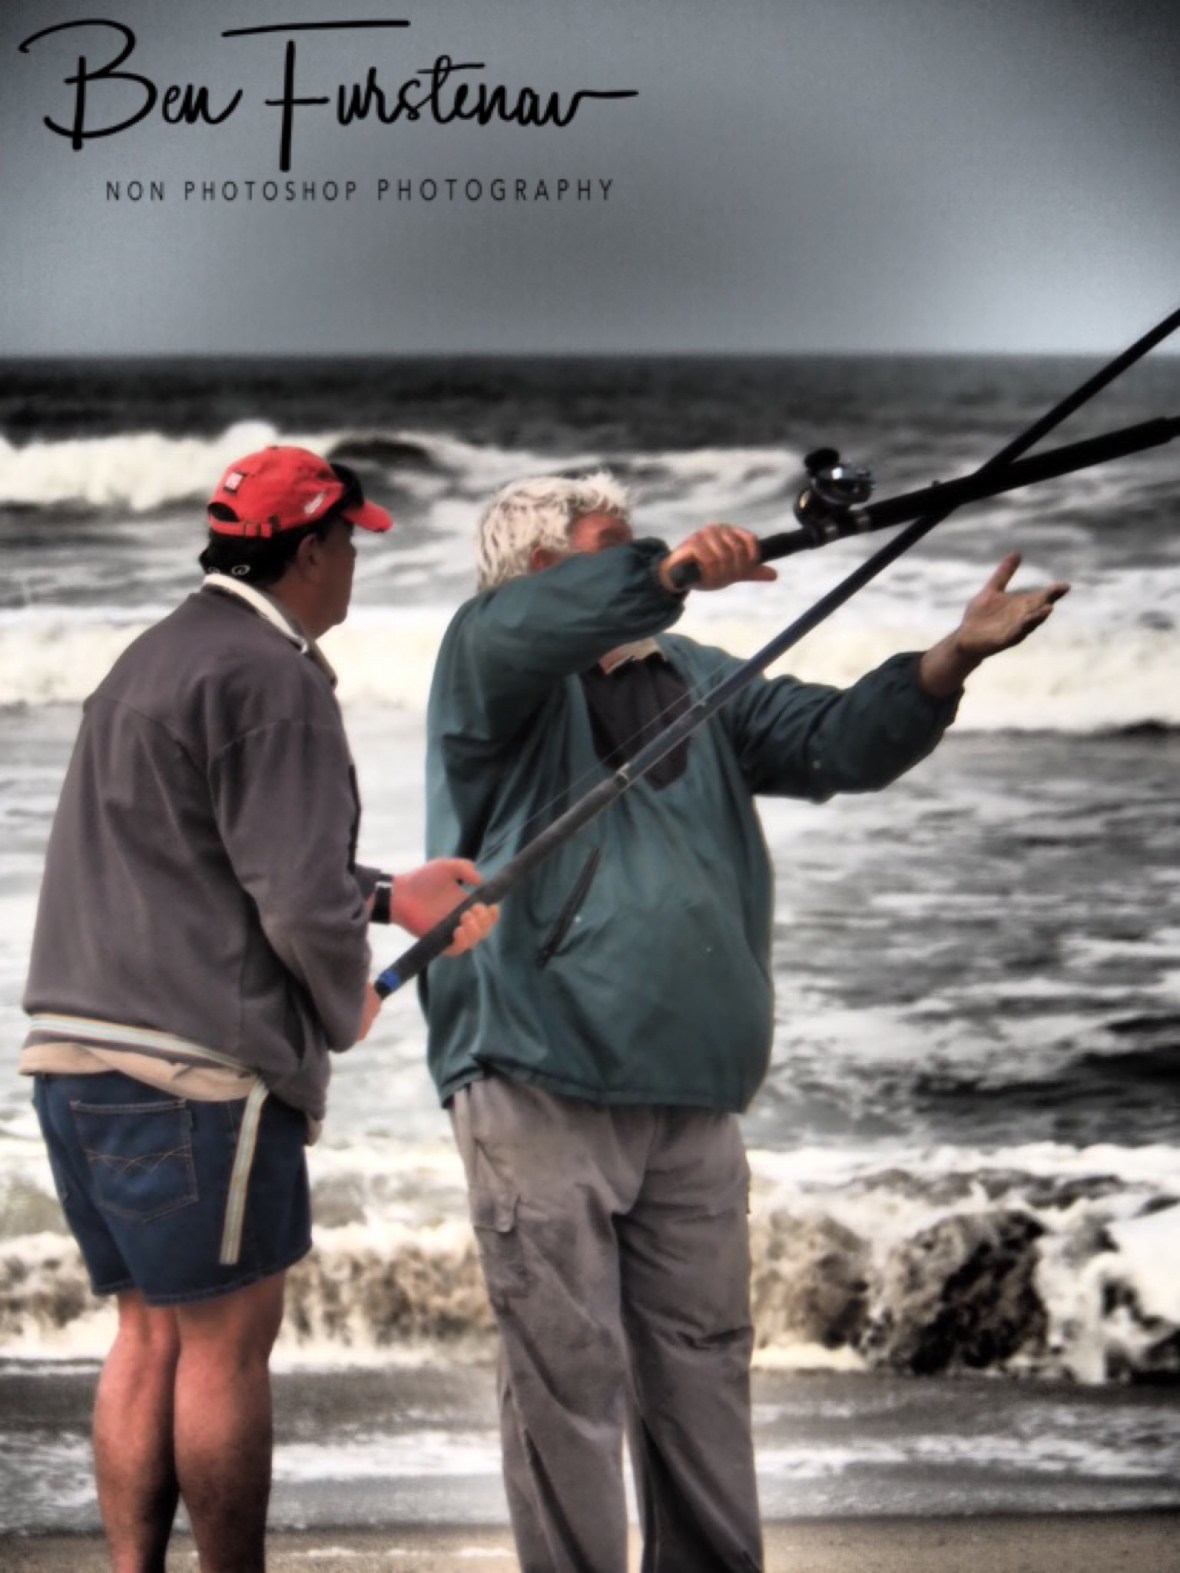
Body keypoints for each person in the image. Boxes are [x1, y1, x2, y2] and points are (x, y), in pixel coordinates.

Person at [422, 471, 1069, 1573]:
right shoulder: (491, 668)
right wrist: (667, 570)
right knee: (565, 1380)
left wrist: (947, 660)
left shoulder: (696, 679)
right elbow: (536, 623)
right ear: (542, 571)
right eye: (610, 546)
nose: (639, 558)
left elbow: (834, 743)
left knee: (704, 1370)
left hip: (694, 1086)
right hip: (537, 1070)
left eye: (639, 544)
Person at [21, 445, 496, 1573]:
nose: (353, 571)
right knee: (228, 1348)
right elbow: (292, 900)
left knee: (144, 1333)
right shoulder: (273, 678)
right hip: (196, 1079)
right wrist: (347, 1006)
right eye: (349, 547)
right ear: (311, 548)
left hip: (71, 1057)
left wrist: (389, 896)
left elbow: (202, 859)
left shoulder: (154, 656)